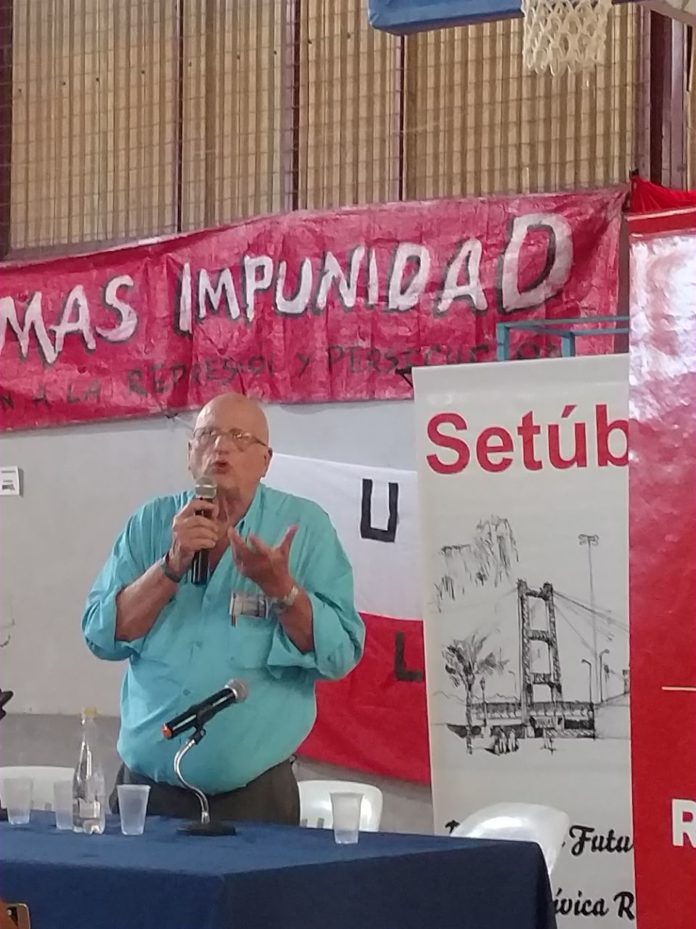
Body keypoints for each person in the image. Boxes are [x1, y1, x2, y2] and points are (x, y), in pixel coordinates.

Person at [82, 391, 365, 825]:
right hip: (145, 792)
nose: (221, 447)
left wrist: (282, 589)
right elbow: (102, 636)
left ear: (266, 461)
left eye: (239, 437)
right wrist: (171, 564)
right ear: (189, 454)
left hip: (255, 798)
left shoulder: (304, 528)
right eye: (208, 435)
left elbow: (340, 653)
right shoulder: (151, 524)